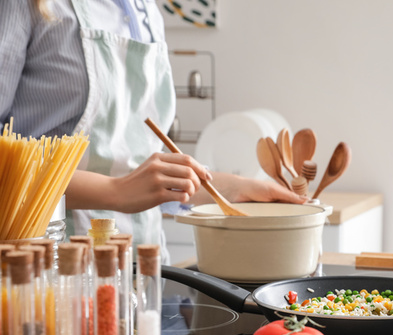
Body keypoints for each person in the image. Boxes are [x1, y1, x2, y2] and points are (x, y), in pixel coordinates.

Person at [0, 0, 304, 261]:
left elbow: (141, 166)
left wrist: (233, 188)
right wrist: (115, 192)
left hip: (145, 267)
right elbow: (7, 171)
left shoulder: (143, 8)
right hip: (47, 268)